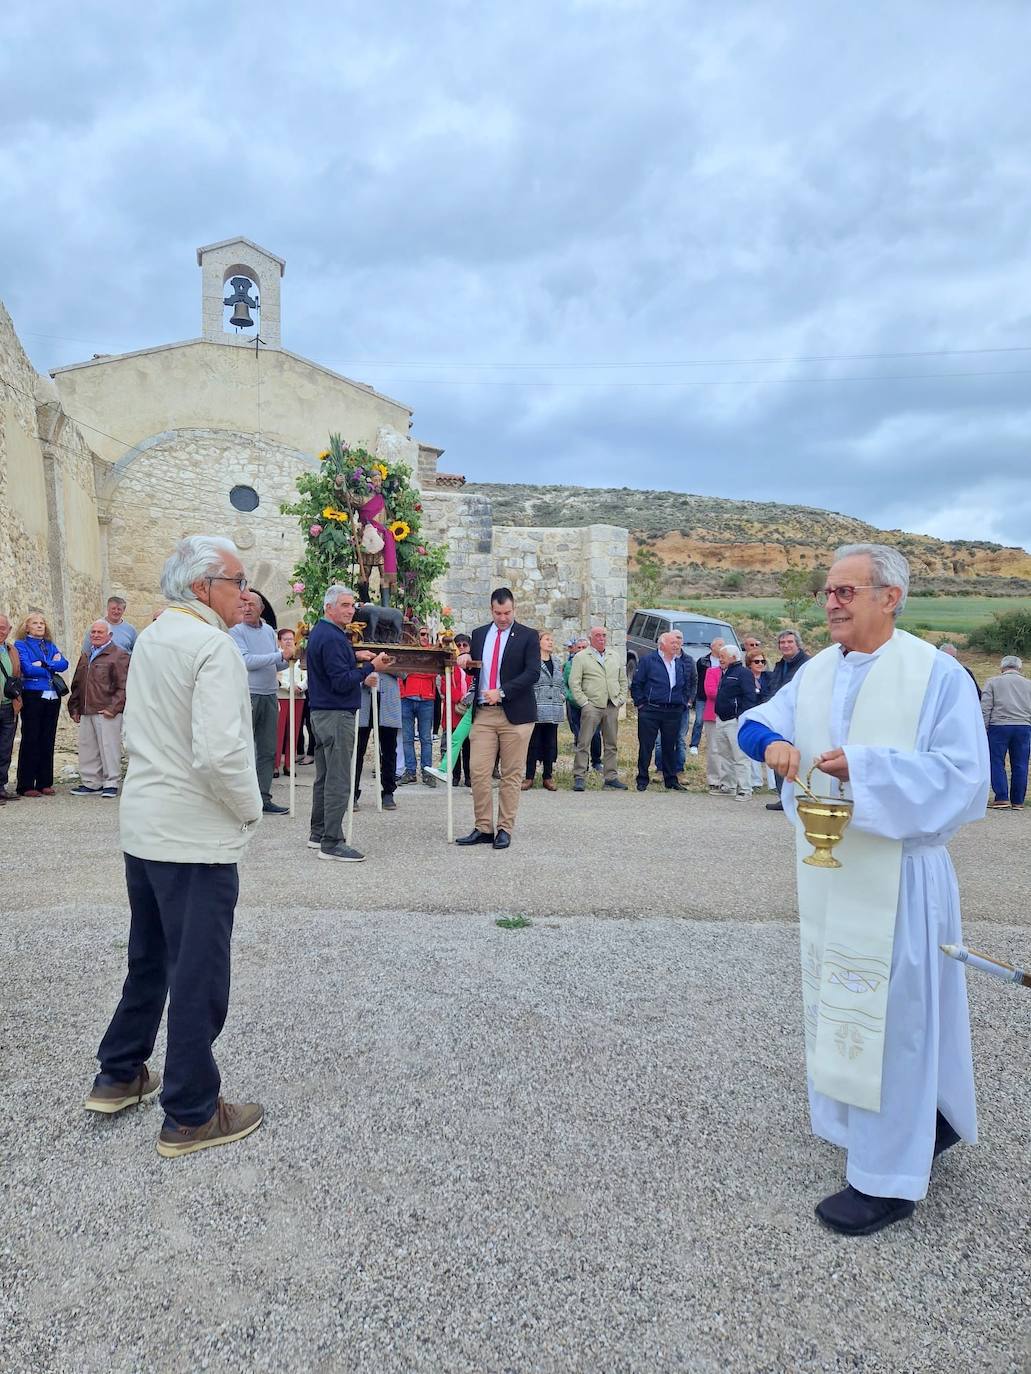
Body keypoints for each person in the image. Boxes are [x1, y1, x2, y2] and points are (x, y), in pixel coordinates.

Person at [738, 542, 989, 1236]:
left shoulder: (935, 675)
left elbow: (965, 781)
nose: (832, 603)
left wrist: (866, 770)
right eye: (827, 592)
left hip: (901, 876)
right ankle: (920, 1121)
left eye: (847, 590)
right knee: (846, 1006)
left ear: (890, 597)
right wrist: (770, 747)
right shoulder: (818, 672)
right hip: (834, 874)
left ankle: (886, 1180)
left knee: (898, 1023)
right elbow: (755, 723)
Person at [85, 535, 265, 1158]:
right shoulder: (212, 645)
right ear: (200, 587)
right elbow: (219, 752)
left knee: (151, 954)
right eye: (236, 581)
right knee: (198, 973)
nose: (246, 594)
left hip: (146, 823)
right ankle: (190, 1110)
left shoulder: (155, 634)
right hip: (193, 834)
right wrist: (250, 809)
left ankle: (120, 1072)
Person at [305, 584, 393, 863]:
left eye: (351, 604)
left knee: (325, 777)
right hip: (336, 715)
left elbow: (331, 665)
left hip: (322, 713)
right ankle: (332, 842)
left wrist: (355, 657)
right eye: (344, 605)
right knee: (339, 779)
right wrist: (371, 668)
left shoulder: (325, 633)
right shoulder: (331, 637)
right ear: (328, 607)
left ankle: (318, 833)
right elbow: (341, 682)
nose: (350, 609)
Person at [455, 587, 541, 849]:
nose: (503, 618)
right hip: (483, 714)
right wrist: (466, 659)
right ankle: (483, 827)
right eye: (497, 613)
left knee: (511, 774)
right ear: (490, 610)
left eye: (507, 612)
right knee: (478, 771)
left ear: (514, 609)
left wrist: (502, 692)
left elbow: (533, 673)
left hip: (516, 715)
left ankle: (505, 828)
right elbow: (478, 672)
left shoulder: (528, 636)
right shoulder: (479, 634)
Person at [229, 591, 293, 815]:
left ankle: (263, 797)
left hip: (268, 694)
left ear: (261, 608)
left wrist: (288, 657)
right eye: (243, 604)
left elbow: (274, 665)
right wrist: (278, 656)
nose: (246, 608)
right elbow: (246, 661)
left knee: (267, 749)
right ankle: (242, 799)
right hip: (249, 694)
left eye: (251, 605)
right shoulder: (236, 631)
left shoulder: (268, 631)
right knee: (244, 748)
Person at [68, 620, 130, 798]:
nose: (95, 635)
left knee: (109, 748)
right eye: (93, 632)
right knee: (88, 748)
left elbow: (124, 685)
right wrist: (75, 707)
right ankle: (91, 782)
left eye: (99, 632)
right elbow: (78, 683)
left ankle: (111, 782)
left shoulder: (119, 655)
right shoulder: (87, 654)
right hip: (87, 709)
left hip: (106, 710)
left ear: (109, 635)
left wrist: (113, 708)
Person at [14, 611, 69, 798]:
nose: (40, 626)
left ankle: (44, 781)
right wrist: (50, 664)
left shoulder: (49, 645)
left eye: (42, 623)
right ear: (26, 627)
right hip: (33, 694)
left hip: (52, 695)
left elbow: (64, 664)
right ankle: (26, 783)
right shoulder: (21, 644)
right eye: (35, 623)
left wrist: (43, 664)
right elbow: (27, 668)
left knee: (48, 738)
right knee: (31, 738)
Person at [632, 631, 695, 792]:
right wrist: (641, 704)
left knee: (670, 746)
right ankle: (642, 779)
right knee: (647, 745)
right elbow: (637, 684)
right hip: (651, 710)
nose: (676, 645)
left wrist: (683, 702)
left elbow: (686, 684)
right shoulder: (648, 661)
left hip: (673, 711)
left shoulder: (679, 663)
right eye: (673, 643)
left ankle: (670, 779)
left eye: (677, 643)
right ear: (662, 644)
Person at [569, 626, 628, 792]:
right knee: (584, 741)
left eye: (603, 635)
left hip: (611, 705)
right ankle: (579, 776)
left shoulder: (614, 656)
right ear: (591, 638)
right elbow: (574, 683)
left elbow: (622, 680)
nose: (601, 638)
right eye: (597, 635)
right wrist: (584, 703)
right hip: (592, 706)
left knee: (611, 743)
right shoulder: (581, 657)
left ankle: (610, 777)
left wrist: (621, 699)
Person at [765, 630, 810, 811]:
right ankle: (783, 797)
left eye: (789, 642)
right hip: (780, 716)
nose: (785, 645)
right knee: (779, 755)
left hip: (800, 717)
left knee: (799, 758)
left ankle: (800, 797)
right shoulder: (779, 665)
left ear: (797, 644)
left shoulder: (808, 664)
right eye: (782, 642)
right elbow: (773, 688)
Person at [980, 655, 1031, 809]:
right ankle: (1018, 801)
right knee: (1021, 764)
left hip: (999, 726)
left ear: (1002, 668)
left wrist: (983, 727)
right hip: (1023, 726)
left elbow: (986, 707)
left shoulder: (993, 682)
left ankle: (1001, 797)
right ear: (1019, 668)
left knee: (996, 761)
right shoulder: (1029, 684)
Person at [355, 664, 401, 811]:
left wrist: (379, 666)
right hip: (363, 697)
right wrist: (363, 678)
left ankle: (388, 791)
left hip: (388, 699)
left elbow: (405, 669)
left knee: (388, 750)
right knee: (357, 749)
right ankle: (352, 792)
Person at [524, 630, 565, 791]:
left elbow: (561, 683)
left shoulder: (557, 662)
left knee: (550, 744)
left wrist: (562, 695)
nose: (551, 642)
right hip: (537, 709)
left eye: (552, 640)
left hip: (554, 709)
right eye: (547, 639)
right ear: (539, 642)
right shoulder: (532, 662)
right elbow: (529, 683)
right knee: (533, 744)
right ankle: (529, 777)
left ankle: (548, 777)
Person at [712, 644, 753, 799]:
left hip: (734, 721)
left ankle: (745, 789)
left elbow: (749, 697)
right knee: (724, 754)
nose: (720, 659)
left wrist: (740, 717)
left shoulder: (743, 673)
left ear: (734, 657)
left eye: (723, 656)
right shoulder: (725, 672)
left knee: (740, 756)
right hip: (721, 719)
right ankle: (727, 785)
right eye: (720, 656)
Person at [399, 627, 437, 787]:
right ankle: (410, 771)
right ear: (416, 636)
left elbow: (433, 672)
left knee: (426, 739)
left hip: (426, 699)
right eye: (422, 634)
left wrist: (412, 672)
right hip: (407, 698)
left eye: (428, 635)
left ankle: (427, 772)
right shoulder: (408, 651)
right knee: (407, 738)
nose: (425, 637)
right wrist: (421, 670)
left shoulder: (433, 652)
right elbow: (400, 672)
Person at [653, 629, 691, 778]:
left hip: (681, 707)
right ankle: (660, 769)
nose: (676, 643)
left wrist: (688, 701)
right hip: (662, 707)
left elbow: (692, 682)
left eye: (679, 639)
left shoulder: (687, 661)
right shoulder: (656, 660)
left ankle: (679, 770)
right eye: (673, 640)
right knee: (660, 740)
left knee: (680, 739)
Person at [438, 633, 472, 786]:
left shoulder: (474, 666)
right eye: (459, 645)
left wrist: (469, 700)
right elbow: (445, 687)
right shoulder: (450, 666)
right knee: (454, 745)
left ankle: (470, 777)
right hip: (454, 711)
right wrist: (462, 698)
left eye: (465, 645)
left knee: (469, 747)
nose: (462, 648)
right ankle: (455, 776)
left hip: (469, 711)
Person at [563, 636, 602, 773]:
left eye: (583, 647)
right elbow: (566, 684)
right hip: (575, 705)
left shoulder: (596, 663)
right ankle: (582, 764)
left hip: (592, 705)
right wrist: (572, 698)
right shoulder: (569, 664)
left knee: (596, 734)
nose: (581, 650)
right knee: (580, 736)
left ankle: (596, 762)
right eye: (578, 647)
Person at [273, 628, 307, 777]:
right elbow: (276, 676)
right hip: (281, 696)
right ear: (279, 641)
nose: (288, 641)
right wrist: (288, 686)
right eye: (285, 639)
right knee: (278, 732)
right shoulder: (276, 656)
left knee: (293, 732)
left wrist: (301, 686)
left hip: (298, 697)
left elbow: (307, 673)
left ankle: (288, 764)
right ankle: (275, 765)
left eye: (290, 638)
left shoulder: (299, 655)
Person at [357, 469, 397, 590]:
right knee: (364, 573)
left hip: (383, 540)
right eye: (375, 480)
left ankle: (385, 607)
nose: (378, 483)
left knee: (384, 574)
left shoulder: (385, 499)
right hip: (367, 539)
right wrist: (338, 485)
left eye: (380, 480)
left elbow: (393, 514)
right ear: (369, 481)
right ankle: (364, 603)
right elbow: (347, 497)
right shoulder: (362, 498)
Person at [0, 614, 23, 805]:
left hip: (8, 707)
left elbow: (17, 674)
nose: (0, 630)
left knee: (5, 749)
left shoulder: (11, 650)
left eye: (3, 627)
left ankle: (1, 787)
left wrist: (18, 698)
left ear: (9, 629)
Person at [744, 648, 773, 790]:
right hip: (753, 715)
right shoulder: (746, 677)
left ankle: (774, 784)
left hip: (768, 716)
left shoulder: (769, 677)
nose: (760, 664)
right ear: (749, 663)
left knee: (771, 747)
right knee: (754, 747)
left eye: (763, 661)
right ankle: (756, 781)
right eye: (757, 661)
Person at [690, 637, 725, 754]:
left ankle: (717, 745)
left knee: (717, 722)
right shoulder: (702, 661)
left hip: (719, 697)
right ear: (712, 647)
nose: (722, 647)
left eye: (723, 645)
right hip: (703, 696)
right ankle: (694, 744)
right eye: (719, 645)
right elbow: (697, 678)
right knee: (699, 720)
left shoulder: (725, 662)